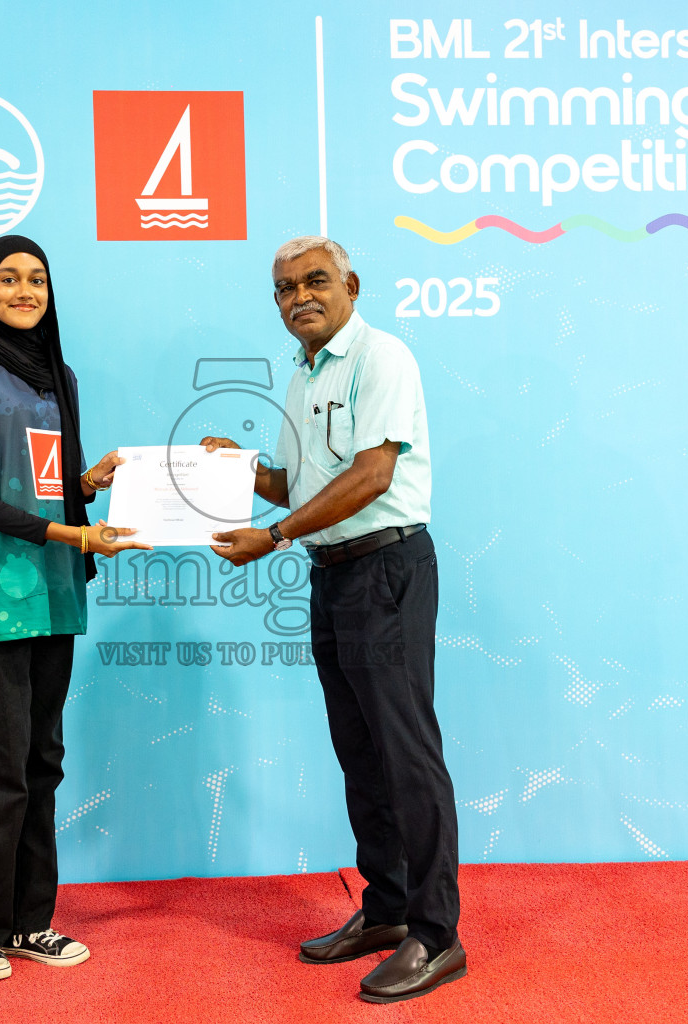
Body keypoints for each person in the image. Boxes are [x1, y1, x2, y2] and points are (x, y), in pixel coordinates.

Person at [201, 236, 463, 1004]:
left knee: (407, 754)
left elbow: (372, 474)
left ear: (352, 283)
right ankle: (385, 911)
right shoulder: (301, 375)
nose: (299, 297)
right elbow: (294, 484)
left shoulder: (383, 358)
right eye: (284, 289)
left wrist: (274, 537)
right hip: (333, 575)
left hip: (387, 570)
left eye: (315, 281)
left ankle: (437, 934)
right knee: (362, 753)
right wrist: (237, 469)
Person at [0, 234, 148, 982]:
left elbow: (39, 482)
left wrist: (90, 483)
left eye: (37, 279)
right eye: (10, 278)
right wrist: (68, 529)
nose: (25, 290)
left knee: (42, 764)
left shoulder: (59, 375)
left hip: (55, 593)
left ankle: (29, 922)